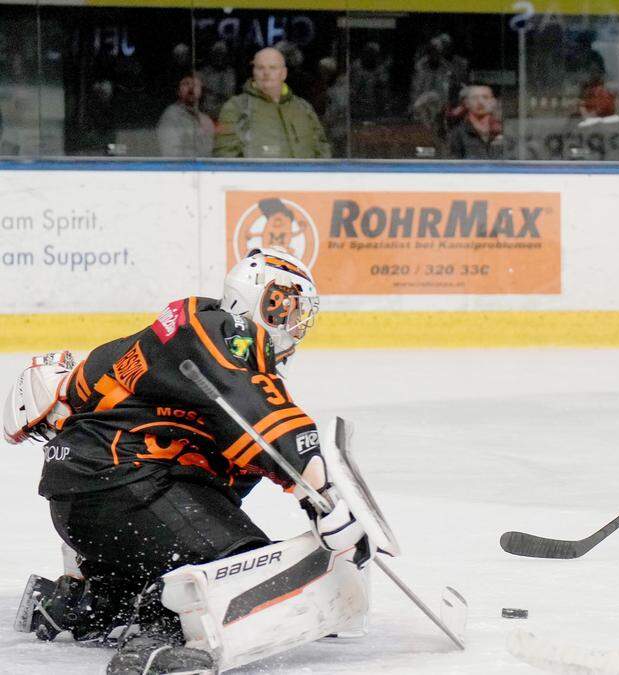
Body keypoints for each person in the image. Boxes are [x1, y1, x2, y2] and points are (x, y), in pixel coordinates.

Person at [2, 249, 374, 674]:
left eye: (298, 310)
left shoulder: (177, 334)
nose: (291, 320)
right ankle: (162, 633)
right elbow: (258, 412)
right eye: (282, 303)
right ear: (253, 296)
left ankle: (79, 604)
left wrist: (308, 495)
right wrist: (321, 488)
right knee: (241, 568)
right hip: (131, 490)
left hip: (92, 504)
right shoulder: (220, 330)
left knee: (165, 559)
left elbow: (81, 385)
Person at [213, 47, 331, 159]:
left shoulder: (303, 108)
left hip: (306, 179)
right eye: (260, 68)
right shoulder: (237, 107)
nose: (266, 73)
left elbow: (323, 151)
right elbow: (225, 159)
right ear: (254, 73)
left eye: (273, 67)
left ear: (283, 73)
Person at [157, 72, 215, 158]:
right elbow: (171, 155)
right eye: (186, 84)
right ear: (178, 91)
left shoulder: (206, 120)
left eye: (195, 85)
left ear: (201, 91)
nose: (191, 88)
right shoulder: (171, 116)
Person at [447, 84, 505, 159]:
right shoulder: (457, 135)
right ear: (466, 103)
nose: (480, 102)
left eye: (485, 97)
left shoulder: (503, 131)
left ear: (493, 102)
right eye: (474, 98)